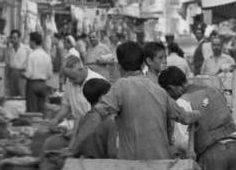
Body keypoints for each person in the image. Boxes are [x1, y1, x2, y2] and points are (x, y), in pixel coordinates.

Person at [71, 41, 201, 160]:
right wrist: (197, 114)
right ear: (143, 64)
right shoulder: (159, 90)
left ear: (119, 67)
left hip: (134, 169)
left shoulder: (121, 86)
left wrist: (72, 149)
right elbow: (186, 118)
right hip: (162, 167)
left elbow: (96, 115)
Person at [24, 31, 53, 113]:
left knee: (32, 110)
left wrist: (22, 74)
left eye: (29, 41)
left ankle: (33, 124)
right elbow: (50, 74)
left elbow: (29, 74)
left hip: (32, 84)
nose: (29, 43)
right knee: (42, 110)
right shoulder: (47, 56)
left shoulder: (31, 55)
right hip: (43, 84)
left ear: (33, 42)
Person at [4, 29, 29, 98]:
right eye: (12, 38)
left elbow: (30, 62)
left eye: (15, 38)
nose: (13, 40)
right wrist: (6, 78)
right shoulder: (9, 49)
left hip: (22, 74)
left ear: (19, 38)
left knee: (22, 94)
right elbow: (7, 64)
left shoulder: (26, 49)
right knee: (12, 94)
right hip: (12, 73)